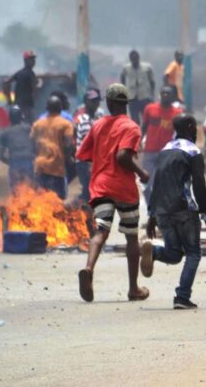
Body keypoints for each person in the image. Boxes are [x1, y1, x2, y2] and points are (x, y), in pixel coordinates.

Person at [76, 83, 150, 303]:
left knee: (100, 231)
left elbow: (83, 154)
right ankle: (133, 289)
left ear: (108, 103)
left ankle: (88, 269)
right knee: (131, 238)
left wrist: (101, 158)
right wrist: (142, 172)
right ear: (126, 104)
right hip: (123, 188)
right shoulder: (131, 127)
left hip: (100, 186)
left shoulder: (97, 125)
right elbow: (123, 157)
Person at [142, 114, 206, 309]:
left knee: (174, 253)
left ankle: (155, 253)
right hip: (184, 210)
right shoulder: (193, 151)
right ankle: (182, 296)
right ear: (191, 127)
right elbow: (199, 185)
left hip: (163, 211)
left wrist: (152, 215)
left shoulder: (165, 150)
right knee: (193, 253)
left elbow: (155, 184)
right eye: (195, 127)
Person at [141, 85, 183, 203]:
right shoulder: (150, 109)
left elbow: (180, 133)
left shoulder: (177, 113)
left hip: (166, 154)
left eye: (168, 93)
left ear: (173, 96)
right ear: (160, 94)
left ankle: (159, 214)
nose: (165, 95)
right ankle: (152, 211)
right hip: (149, 152)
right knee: (145, 185)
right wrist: (138, 142)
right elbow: (143, 128)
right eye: (163, 93)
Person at [30, 96, 73, 200]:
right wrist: (69, 159)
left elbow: (32, 143)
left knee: (41, 200)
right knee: (58, 200)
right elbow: (68, 144)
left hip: (40, 167)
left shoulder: (37, 124)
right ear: (60, 108)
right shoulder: (66, 124)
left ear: (47, 108)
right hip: (57, 167)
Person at [73, 88, 105, 203]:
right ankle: (75, 210)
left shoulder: (97, 118)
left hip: (94, 161)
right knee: (88, 192)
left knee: (93, 192)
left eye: (97, 101)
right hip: (85, 162)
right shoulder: (83, 119)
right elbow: (88, 143)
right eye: (93, 101)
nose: (96, 104)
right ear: (86, 102)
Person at [0, 106, 35, 191]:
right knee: (30, 189)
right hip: (28, 161)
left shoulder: (4, 134)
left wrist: (8, 161)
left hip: (14, 163)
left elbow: (0, 155)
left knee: (16, 190)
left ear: (10, 118)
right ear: (21, 117)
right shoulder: (28, 128)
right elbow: (35, 144)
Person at [121, 50, 155, 125]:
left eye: (136, 59)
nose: (134, 61)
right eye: (132, 60)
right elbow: (122, 77)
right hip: (132, 97)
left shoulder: (147, 67)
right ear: (130, 60)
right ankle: (137, 134)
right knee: (134, 119)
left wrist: (152, 95)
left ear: (138, 58)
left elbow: (152, 81)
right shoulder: (126, 68)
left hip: (144, 96)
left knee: (146, 118)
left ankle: (144, 134)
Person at [4, 51, 37, 123]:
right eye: (31, 59)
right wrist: (9, 99)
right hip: (27, 107)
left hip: (18, 105)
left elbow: (6, 82)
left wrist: (9, 99)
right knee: (30, 125)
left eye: (33, 59)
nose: (33, 61)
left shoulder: (19, 73)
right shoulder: (30, 74)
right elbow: (6, 83)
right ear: (25, 61)